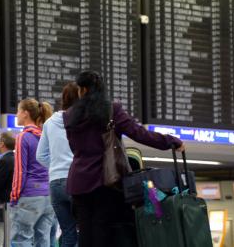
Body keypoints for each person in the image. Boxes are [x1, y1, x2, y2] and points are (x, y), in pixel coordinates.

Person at [64, 71, 184, 247]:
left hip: (78, 181)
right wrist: (170, 141)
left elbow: (74, 147)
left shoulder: (69, 115)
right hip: (105, 180)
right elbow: (139, 134)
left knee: (85, 231)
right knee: (102, 228)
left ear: (81, 90)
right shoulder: (112, 110)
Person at [36, 82, 80, 247]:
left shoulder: (49, 123)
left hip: (55, 184)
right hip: (77, 181)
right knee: (84, 231)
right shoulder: (82, 121)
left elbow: (40, 155)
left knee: (67, 233)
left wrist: (55, 166)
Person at [10, 98, 55, 247]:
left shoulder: (23, 137)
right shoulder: (46, 136)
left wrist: (14, 196)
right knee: (43, 240)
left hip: (29, 196)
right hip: (48, 196)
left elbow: (20, 171)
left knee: (22, 239)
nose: (16, 115)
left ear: (25, 113)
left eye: (18, 111)